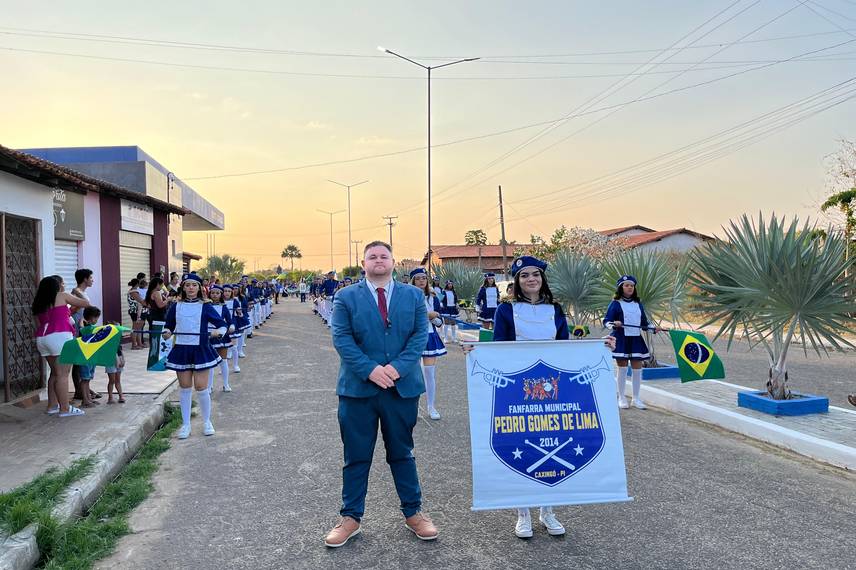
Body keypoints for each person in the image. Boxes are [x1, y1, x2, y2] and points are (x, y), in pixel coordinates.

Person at [465, 256, 616, 539]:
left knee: (554, 441)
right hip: (519, 388)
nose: (531, 279)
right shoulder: (506, 310)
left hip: (552, 388)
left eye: (535, 274)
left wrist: (601, 347)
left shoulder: (555, 309)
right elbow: (499, 348)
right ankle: (522, 512)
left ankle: (548, 511)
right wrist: (476, 353)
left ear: (542, 278)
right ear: (517, 281)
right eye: (524, 275)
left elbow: (565, 348)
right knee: (522, 443)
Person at [325, 241, 437, 548]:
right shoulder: (345, 296)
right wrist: (370, 369)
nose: (378, 260)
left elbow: (419, 335)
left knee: (402, 452)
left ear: (392, 262)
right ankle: (350, 518)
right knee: (356, 455)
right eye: (372, 256)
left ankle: (413, 513)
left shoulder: (413, 295)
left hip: (401, 388)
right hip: (358, 389)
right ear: (363, 263)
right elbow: (341, 338)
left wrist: (397, 368)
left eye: (383, 256)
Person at [161, 273, 228, 439]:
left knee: (200, 387)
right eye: (187, 285)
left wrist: (218, 332)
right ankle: (186, 425)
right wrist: (167, 332)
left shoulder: (205, 306)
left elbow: (222, 324)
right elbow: (168, 326)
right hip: (182, 349)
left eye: (194, 285)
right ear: (183, 288)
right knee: (185, 387)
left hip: (201, 349)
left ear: (199, 288)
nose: (191, 288)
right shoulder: (176, 306)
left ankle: (207, 422)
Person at [32, 275, 89, 417]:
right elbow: (86, 303)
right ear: (56, 286)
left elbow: (39, 324)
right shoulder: (62, 296)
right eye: (61, 284)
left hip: (43, 338)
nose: (63, 285)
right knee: (63, 374)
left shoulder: (38, 302)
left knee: (55, 373)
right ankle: (65, 408)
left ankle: (52, 406)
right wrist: (78, 291)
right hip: (59, 337)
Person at [603, 275, 662, 410]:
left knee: (637, 369)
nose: (630, 287)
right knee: (622, 369)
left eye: (632, 285)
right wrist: (614, 324)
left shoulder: (638, 304)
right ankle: (621, 397)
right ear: (621, 288)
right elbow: (606, 321)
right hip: (621, 338)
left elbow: (644, 324)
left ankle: (636, 399)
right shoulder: (615, 303)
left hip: (636, 339)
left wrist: (653, 328)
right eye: (626, 285)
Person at [410, 268, 446, 420]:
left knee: (429, 374)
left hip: (430, 336)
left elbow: (439, 322)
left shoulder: (433, 298)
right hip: (412, 337)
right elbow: (406, 317)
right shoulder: (408, 297)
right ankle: (414, 407)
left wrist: (433, 318)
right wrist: (427, 315)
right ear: (413, 281)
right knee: (414, 374)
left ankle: (431, 407)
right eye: (418, 278)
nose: (421, 281)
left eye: (424, 278)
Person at [206, 285, 235, 393]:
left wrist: (231, 326)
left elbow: (230, 321)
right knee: (210, 362)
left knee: (223, 361)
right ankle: (209, 386)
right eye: (213, 293)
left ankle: (226, 384)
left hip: (221, 336)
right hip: (208, 335)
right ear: (209, 294)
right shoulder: (205, 306)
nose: (215, 295)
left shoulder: (224, 307)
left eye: (217, 293)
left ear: (221, 294)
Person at [77, 306, 102, 408]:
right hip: (85, 357)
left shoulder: (91, 328)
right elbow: (82, 329)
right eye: (95, 318)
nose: (96, 320)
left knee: (87, 379)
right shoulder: (86, 329)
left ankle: (88, 399)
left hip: (91, 357)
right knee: (85, 379)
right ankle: (85, 400)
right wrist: (82, 321)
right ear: (90, 317)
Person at [105, 329, 125, 404]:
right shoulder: (108, 341)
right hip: (111, 361)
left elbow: (120, 351)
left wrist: (123, 359)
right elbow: (111, 352)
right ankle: (110, 397)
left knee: (118, 380)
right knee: (112, 380)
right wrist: (117, 360)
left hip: (118, 361)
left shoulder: (118, 341)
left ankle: (121, 396)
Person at [127, 278, 144, 349]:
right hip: (135, 311)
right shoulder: (134, 292)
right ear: (137, 284)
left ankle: (139, 343)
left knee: (139, 328)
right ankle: (134, 345)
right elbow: (141, 301)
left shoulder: (132, 291)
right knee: (135, 328)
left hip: (136, 311)